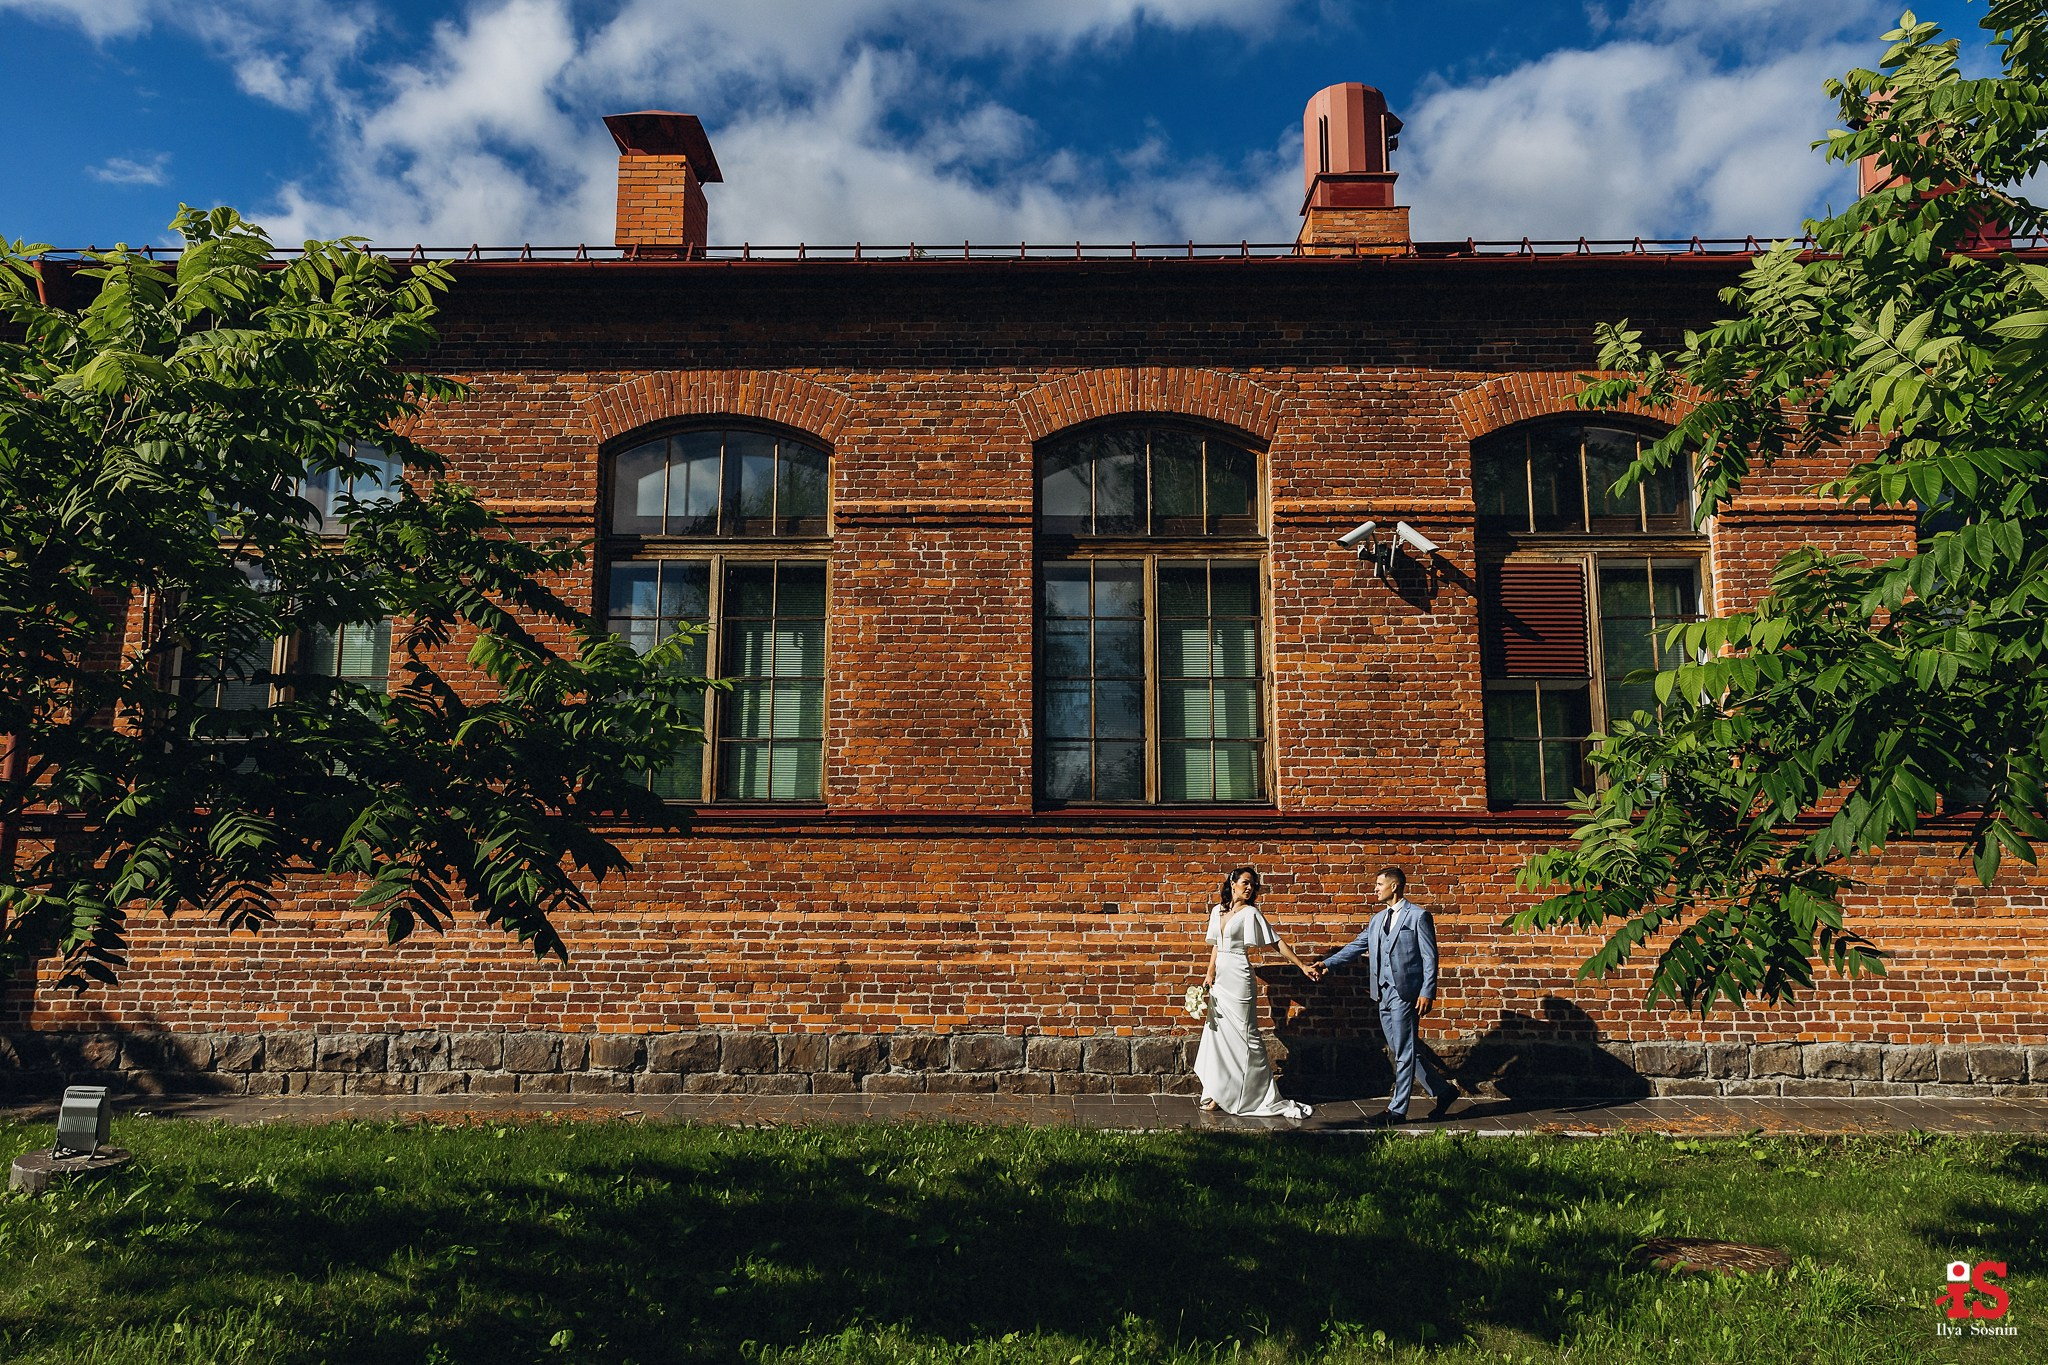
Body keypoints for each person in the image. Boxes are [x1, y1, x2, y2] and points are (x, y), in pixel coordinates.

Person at [1318, 866, 1461, 1125]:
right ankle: (1443, 1090)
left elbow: (1430, 957)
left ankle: (1397, 1110)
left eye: (1379, 884)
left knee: (1403, 1051)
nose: (1375, 889)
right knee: (1400, 1047)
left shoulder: (1417, 916)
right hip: (1381, 992)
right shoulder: (1377, 920)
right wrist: (1328, 964)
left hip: (1405, 992)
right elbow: (1356, 946)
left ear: (1394, 886)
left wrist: (1427, 991)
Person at [1194, 866, 1320, 1119]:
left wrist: (1301, 965)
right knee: (1219, 1036)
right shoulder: (1217, 911)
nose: (1250, 887)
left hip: (1240, 977)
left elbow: (1276, 941)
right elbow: (1216, 945)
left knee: (1245, 1036)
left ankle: (1259, 1095)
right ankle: (1219, 1092)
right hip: (1221, 981)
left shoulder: (1251, 913)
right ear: (1232, 883)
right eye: (1245, 882)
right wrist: (1209, 973)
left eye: (1253, 884)